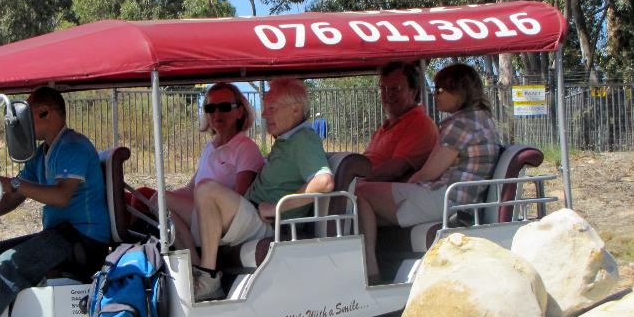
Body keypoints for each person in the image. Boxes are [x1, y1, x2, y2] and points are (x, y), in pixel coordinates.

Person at [0, 86, 110, 317]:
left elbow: (61, 196)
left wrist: (14, 184)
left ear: (46, 113)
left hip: (84, 240)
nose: (22, 123)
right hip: (62, 235)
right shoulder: (42, 154)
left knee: (7, 266)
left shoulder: (73, 147)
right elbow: (12, 198)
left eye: (28, 116)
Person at [356, 63, 500, 281]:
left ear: (460, 91)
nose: (435, 94)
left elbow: (428, 173)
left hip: (447, 200)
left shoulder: (461, 124)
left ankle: (371, 271)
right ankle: (374, 270)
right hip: (451, 197)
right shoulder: (480, 119)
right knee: (362, 207)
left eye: (441, 89)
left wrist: (406, 188)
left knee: (361, 193)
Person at [190, 78, 334, 292]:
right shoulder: (287, 140)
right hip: (254, 213)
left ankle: (209, 277)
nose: (265, 115)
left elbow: (324, 181)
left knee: (206, 189)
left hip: (265, 223)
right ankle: (189, 272)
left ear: (295, 110)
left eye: (271, 108)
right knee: (171, 206)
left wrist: (277, 207)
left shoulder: (304, 139)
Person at [161, 82, 265, 252]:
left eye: (224, 107)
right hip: (202, 213)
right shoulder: (209, 148)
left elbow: (240, 199)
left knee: (162, 203)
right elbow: (190, 188)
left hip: (225, 221)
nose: (217, 113)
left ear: (240, 111)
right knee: (155, 200)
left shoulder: (245, 148)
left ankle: (194, 262)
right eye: (210, 108)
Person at [364, 61, 438, 181]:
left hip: (384, 190)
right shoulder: (386, 126)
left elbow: (395, 171)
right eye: (383, 88)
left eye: (395, 88)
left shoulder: (419, 124)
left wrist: (355, 179)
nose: (388, 95)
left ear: (413, 92)